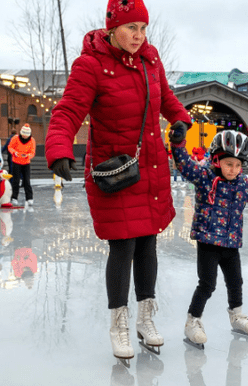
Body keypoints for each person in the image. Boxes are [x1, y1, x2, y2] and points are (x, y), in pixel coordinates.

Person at [45, 0, 192, 363]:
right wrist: (60, 147)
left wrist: (180, 119)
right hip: (116, 171)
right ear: (112, 28)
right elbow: (68, 110)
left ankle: (145, 319)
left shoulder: (150, 59)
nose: (139, 36)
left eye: (143, 28)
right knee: (122, 246)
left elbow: (166, 98)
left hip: (151, 168)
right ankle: (119, 324)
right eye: (131, 28)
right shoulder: (90, 65)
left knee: (148, 245)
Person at [168, 129, 248, 348]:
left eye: (238, 165)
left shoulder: (242, 182)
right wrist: (178, 144)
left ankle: (236, 315)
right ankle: (193, 321)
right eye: (229, 164)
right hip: (208, 242)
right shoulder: (205, 176)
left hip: (231, 242)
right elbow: (184, 165)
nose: (234, 170)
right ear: (217, 161)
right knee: (207, 284)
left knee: (235, 282)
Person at [7, 123, 36, 206]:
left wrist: (28, 156)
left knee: (27, 180)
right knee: (16, 180)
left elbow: (32, 152)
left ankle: (29, 198)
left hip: (26, 163)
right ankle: (14, 197)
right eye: (23, 135)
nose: (24, 137)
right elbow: (10, 147)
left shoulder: (32, 140)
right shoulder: (15, 138)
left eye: (26, 135)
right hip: (16, 162)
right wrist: (14, 152)